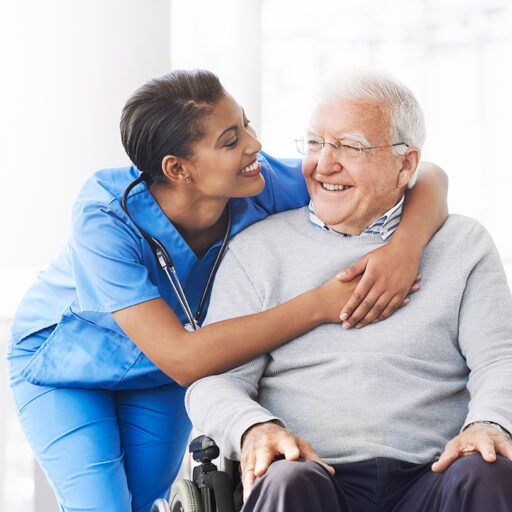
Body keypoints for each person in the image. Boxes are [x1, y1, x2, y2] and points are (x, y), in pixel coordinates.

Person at [7, 69, 447, 512]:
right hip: (63, 364)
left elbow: (424, 175)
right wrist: (318, 305)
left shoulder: (260, 183)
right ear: (178, 169)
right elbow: (181, 358)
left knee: (145, 503)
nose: (254, 145)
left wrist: (404, 249)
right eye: (230, 140)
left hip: (157, 371)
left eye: (247, 125)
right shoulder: (105, 216)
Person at [186, 68, 512, 512]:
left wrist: (491, 423)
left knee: (488, 468)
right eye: (315, 143)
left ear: (406, 165)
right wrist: (255, 429)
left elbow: (500, 360)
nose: (323, 164)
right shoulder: (257, 249)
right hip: (313, 472)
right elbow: (214, 383)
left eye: (349, 146)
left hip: (434, 472)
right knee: (284, 479)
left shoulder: (463, 244)